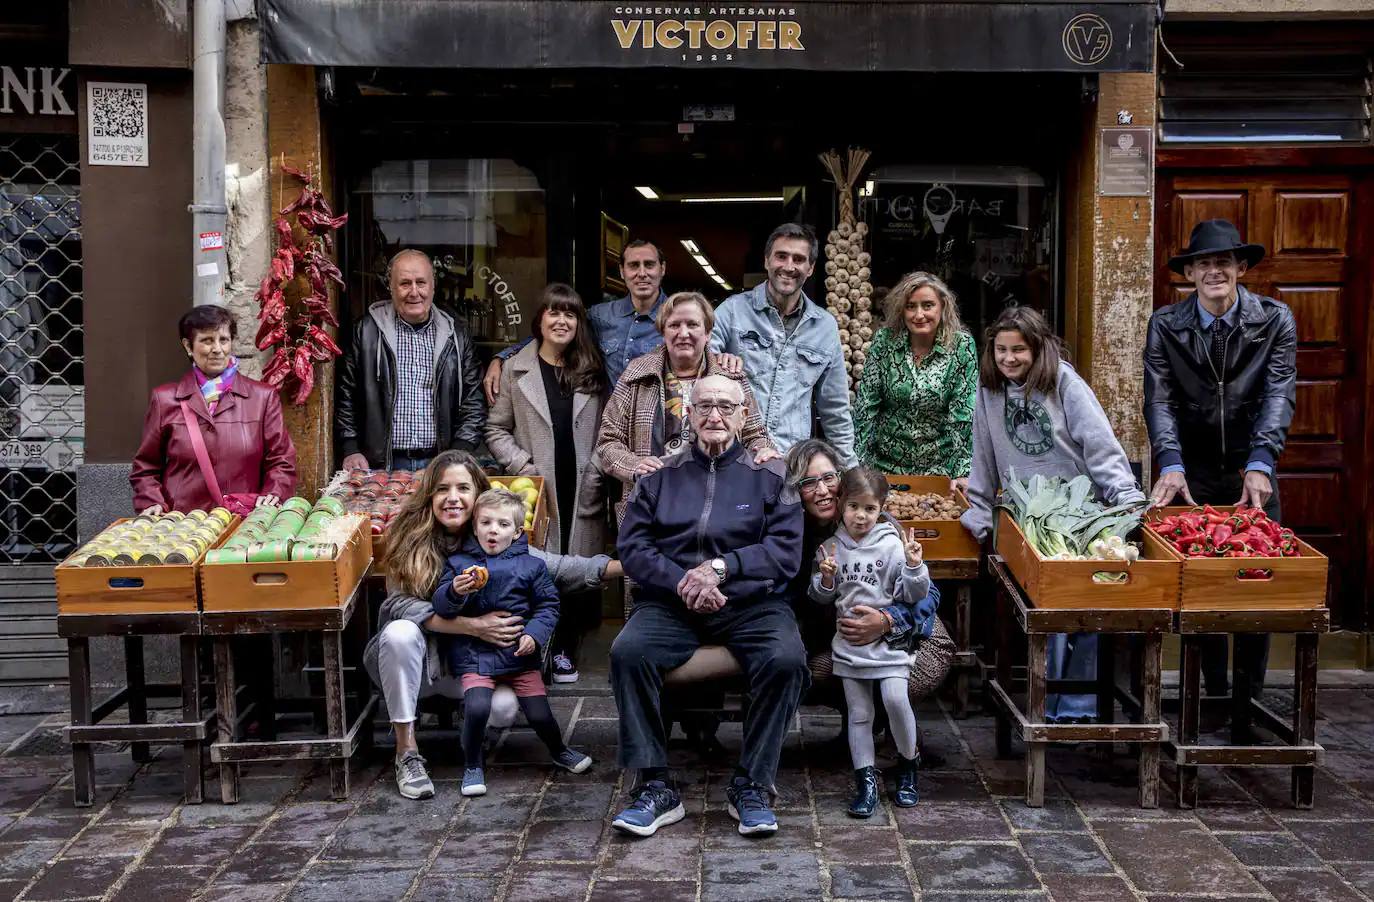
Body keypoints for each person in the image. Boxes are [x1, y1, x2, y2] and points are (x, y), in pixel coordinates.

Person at [609, 375, 808, 839]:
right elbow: (633, 547)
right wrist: (683, 581)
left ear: (743, 416)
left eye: (725, 406)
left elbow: (785, 553)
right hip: (672, 602)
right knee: (627, 653)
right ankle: (654, 785)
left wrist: (722, 569)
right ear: (688, 414)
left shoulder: (773, 476)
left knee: (787, 659)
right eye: (704, 407)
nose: (714, 415)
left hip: (749, 603)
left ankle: (753, 784)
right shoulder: (659, 475)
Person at [363, 450, 622, 800]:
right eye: (442, 489)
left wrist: (628, 567)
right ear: (429, 496)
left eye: (463, 488)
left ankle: (470, 728)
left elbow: (561, 568)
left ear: (478, 495)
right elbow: (398, 604)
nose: (452, 498)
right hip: (415, 667)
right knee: (400, 632)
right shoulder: (409, 540)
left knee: (502, 709)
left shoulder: (494, 537)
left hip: (468, 665)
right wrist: (471, 626)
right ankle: (406, 752)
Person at [961, 307, 1144, 722]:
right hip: (1028, 517)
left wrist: (1127, 501)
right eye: (1001, 350)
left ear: (1038, 348)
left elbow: (1099, 445)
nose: (1009, 359)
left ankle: (1077, 707)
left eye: (1019, 350)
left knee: (1085, 606)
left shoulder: (1065, 383)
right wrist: (978, 511)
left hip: (1081, 513)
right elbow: (983, 459)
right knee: (1048, 612)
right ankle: (1050, 707)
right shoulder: (987, 392)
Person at [1145, 219, 1297, 708]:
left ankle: (1248, 698)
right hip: (1191, 473)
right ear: (1189, 273)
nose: (1214, 271)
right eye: (1204, 263)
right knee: (1201, 583)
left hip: (1252, 469)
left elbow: (1278, 392)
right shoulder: (1166, 325)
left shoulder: (1275, 320)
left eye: (1224, 262)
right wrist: (1169, 462)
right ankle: (1209, 693)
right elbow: (1159, 399)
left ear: (1241, 268)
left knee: (1258, 582)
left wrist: (1262, 461)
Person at [783, 439, 954, 755]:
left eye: (828, 477)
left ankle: (901, 742)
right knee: (809, 671)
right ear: (795, 489)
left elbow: (928, 593)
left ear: (841, 479)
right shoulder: (796, 537)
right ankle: (860, 725)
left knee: (901, 678)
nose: (822, 490)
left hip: (911, 632)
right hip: (845, 638)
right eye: (808, 482)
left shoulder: (879, 523)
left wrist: (888, 620)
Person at [431, 487, 593, 797]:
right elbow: (440, 605)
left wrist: (534, 634)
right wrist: (455, 591)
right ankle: (473, 764)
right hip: (475, 654)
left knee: (540, 713)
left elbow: (548, 605)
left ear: (518, 531)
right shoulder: (458, 564)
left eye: (503, 524)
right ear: (474, 525)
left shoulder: (531, 566)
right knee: (477, 708)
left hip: (518, 655)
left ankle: (559, 750)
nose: (493, 530)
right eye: (486, 523)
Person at [484, 283, 607, 683]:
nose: (561, 320)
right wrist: (523, 465)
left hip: (582, 486)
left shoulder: (591, 368)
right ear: (539, 320)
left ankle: (565, 649)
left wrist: (598, 471)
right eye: (554, 312)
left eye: (570, 314)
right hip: (536, 489)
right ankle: (537, 646)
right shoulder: (517, 371)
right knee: (539, 569)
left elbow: (608, 431)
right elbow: (496, 429)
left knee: (576, 570)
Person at [810, 467, 931, 817]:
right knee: (859, 715)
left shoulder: (893, 545)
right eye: (853, 507)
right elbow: (818, 597)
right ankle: (865, 780)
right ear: (840, 504)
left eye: (869, 509)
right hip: (849, 646)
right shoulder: (830, 547)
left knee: (895, 699)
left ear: (881, 509)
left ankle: (908, 766)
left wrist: (913, 567)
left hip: (889, 644)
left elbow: (914, 595)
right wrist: (827, 580)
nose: (860, 516)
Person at [595, 291, 776, 518]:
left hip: (721, 508)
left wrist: (762, 451)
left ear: (708, 332)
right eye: (674, 325)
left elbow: (754, 435)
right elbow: (608, 441)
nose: (683, 333)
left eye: (692, 324)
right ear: (662, 331)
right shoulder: (636, 375)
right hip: (651, 508)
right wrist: (634, 466)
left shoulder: (731, 378)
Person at [710, 222, 856, 466]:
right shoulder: (733, 311)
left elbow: (835, 409)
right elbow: (698, 364)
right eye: (781, 256)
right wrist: (717, 363)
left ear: (810, 268)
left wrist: (849, 471)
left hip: (790, 463)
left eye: (799, 259)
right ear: (767, 261)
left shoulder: (824, 326)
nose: (789, 267)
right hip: (733, 458)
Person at [131, 304, 296, 514]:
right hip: (182, 525)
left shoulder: (262, 398)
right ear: (188, 346)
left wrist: (274, 494)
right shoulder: (165, 400)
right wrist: (152, 501)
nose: (217, 349)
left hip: (241, 526)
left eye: (223, 340)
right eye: (207, 340)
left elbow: (281, 461)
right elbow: (146, 467)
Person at [336, 249, 485, 472]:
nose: (414, 292)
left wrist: (459, 453)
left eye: (421, 282)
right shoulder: (366, 331)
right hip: (379, 466)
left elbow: (473, 399)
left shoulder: (457, 335)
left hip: (440, 464)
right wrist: (350, 447)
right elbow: (345, 393)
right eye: (405, 283)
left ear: (433, 285)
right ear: (391, 287)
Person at [484, 238, 668, 402]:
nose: (642, 273)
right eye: (634, 265)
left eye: (649, 265)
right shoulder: (601, 316)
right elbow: (553, 333)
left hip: (657, 428)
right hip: (608, 430)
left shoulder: (677, 318)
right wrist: (502, 358)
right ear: (622, 271)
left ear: (662, 269)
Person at [853, 271, 978, 488]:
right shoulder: (885, 342)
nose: (919, 314)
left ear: (943, 307)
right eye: (911, 306)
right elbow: (867, 406)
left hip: (941, 471)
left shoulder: (961, 346)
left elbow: (963, 414)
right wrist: (857, 466)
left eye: (928, 305)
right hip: (885, 468)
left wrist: (963, 472)